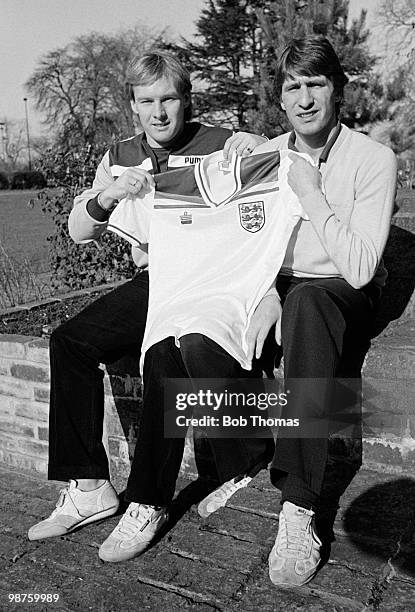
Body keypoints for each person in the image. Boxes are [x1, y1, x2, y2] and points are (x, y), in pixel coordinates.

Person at [27, 52, 270, 551]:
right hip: (158, 278)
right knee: (70, 341)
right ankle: (89, 488)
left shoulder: (221, 144)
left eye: (169, 99)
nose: (159, 112)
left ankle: (149, 501)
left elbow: (270, 183)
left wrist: (257, 143)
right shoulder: (119, 155)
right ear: (132, 106)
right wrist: (110, 194)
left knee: (164, 350)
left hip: (214, 280)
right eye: (147, 102)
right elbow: (79, 230)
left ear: (185, 101)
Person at [246, 35, 397, 587]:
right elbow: (252, 243)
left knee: (309, 304)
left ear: (338, 91)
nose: (304, 98)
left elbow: (358, 266)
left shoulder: (373, 159)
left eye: (316, 84)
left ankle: (299, 506)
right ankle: (219, 466)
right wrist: (263, 292)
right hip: (283, 287)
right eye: (293, 87)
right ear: (280, 98)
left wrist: (310, 190)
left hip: (341, 291)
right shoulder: (266, 155)